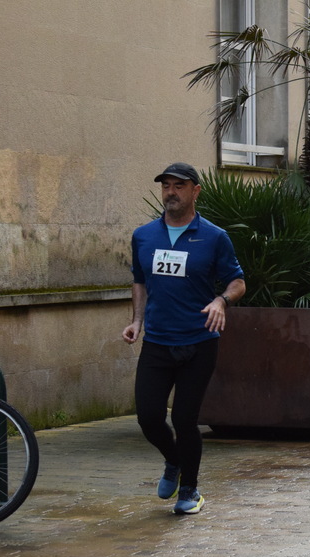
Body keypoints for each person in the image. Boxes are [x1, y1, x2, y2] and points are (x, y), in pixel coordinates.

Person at [122, 162, 245, 515]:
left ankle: (189, 490)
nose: (171, 192)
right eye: (166, 186)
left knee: (184, 419)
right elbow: (139, 280)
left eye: (179, 186)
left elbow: (238, 281)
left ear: (195, 191)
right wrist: (137, 321)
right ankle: (174, 461)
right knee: (148, 417)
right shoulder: (143, 235)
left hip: (199, 341)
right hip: (158, 342)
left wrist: (221, 301)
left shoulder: (214, 237)